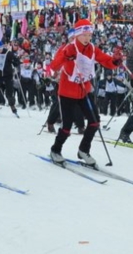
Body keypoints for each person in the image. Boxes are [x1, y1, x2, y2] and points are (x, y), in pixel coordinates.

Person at [48, 19, 121, 166]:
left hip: (83, 91)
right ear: (76, 35)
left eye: (89, 35)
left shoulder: (92, 49)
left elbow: (105, 60)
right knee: (67, 127)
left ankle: (83, 150)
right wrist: (66, 55)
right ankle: (55, 150)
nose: (87, 38)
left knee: (94, 122)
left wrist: (115, 61)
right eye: (84, 35)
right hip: (67, 92)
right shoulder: (68, 47)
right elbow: (54, 66)